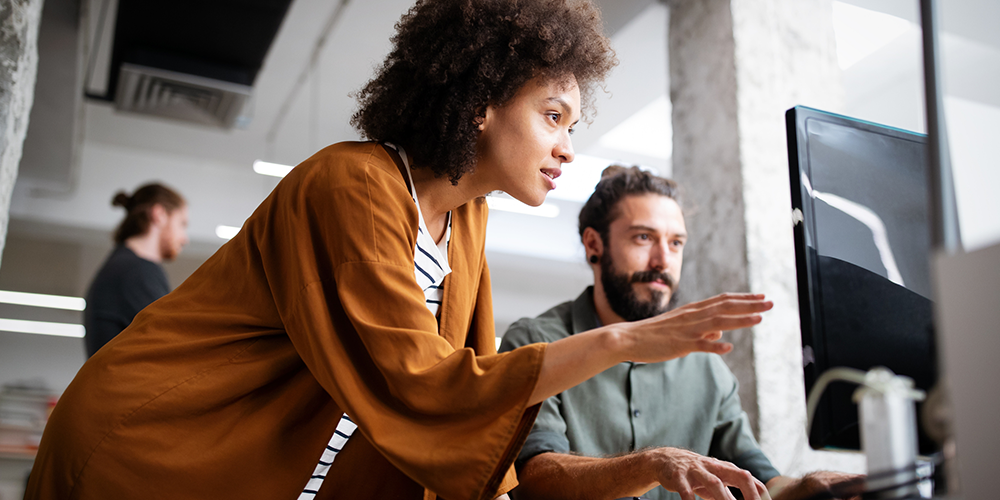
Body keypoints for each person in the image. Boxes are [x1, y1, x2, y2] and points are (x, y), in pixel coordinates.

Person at [26, 2, 773, 500]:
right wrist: (622, 342)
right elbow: (424, 384)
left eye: (571, 126)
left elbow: (466, 392)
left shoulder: (467, 221)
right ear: (482, 102)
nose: (567, 149)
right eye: (553, 116)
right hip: (151, 449)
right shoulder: (351, 185)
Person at [500, 166, 861, 500]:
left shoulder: (706, 363)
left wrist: (807, 487)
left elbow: (759, 478)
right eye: (644, 237)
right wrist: (650, 465)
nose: (663, 260)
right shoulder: (536, 343)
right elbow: (532, 480)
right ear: (594, 244)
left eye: (675, 243)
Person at [83, 183, 189, 357]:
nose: (185, 239)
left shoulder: (123, 266)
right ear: (159, 214)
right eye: (182, 224)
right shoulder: (136, 271)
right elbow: (173, 346)